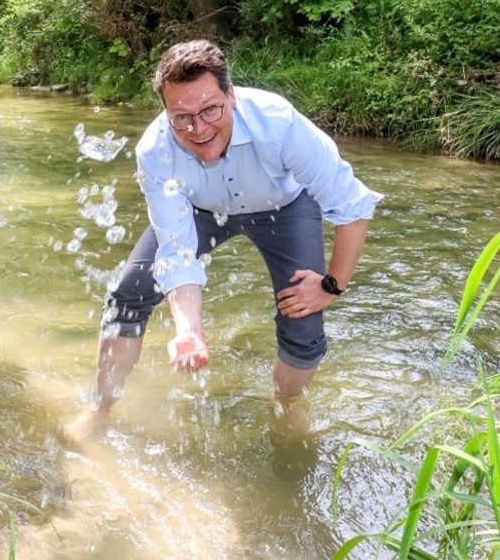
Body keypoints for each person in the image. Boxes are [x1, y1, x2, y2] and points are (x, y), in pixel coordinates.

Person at [74, 39, 381, 434]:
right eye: (181, 117)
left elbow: (353, 206)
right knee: (129, 291)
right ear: (166, 112)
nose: (198, 129)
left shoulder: (280, 125)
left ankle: (288, 408)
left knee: (303, 318)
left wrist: (332, 286)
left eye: (209, 110)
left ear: (231, 96)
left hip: (283, 207)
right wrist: (189, 333)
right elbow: (177, 251)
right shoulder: (155, 151)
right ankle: (101, 406)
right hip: (200, 211)